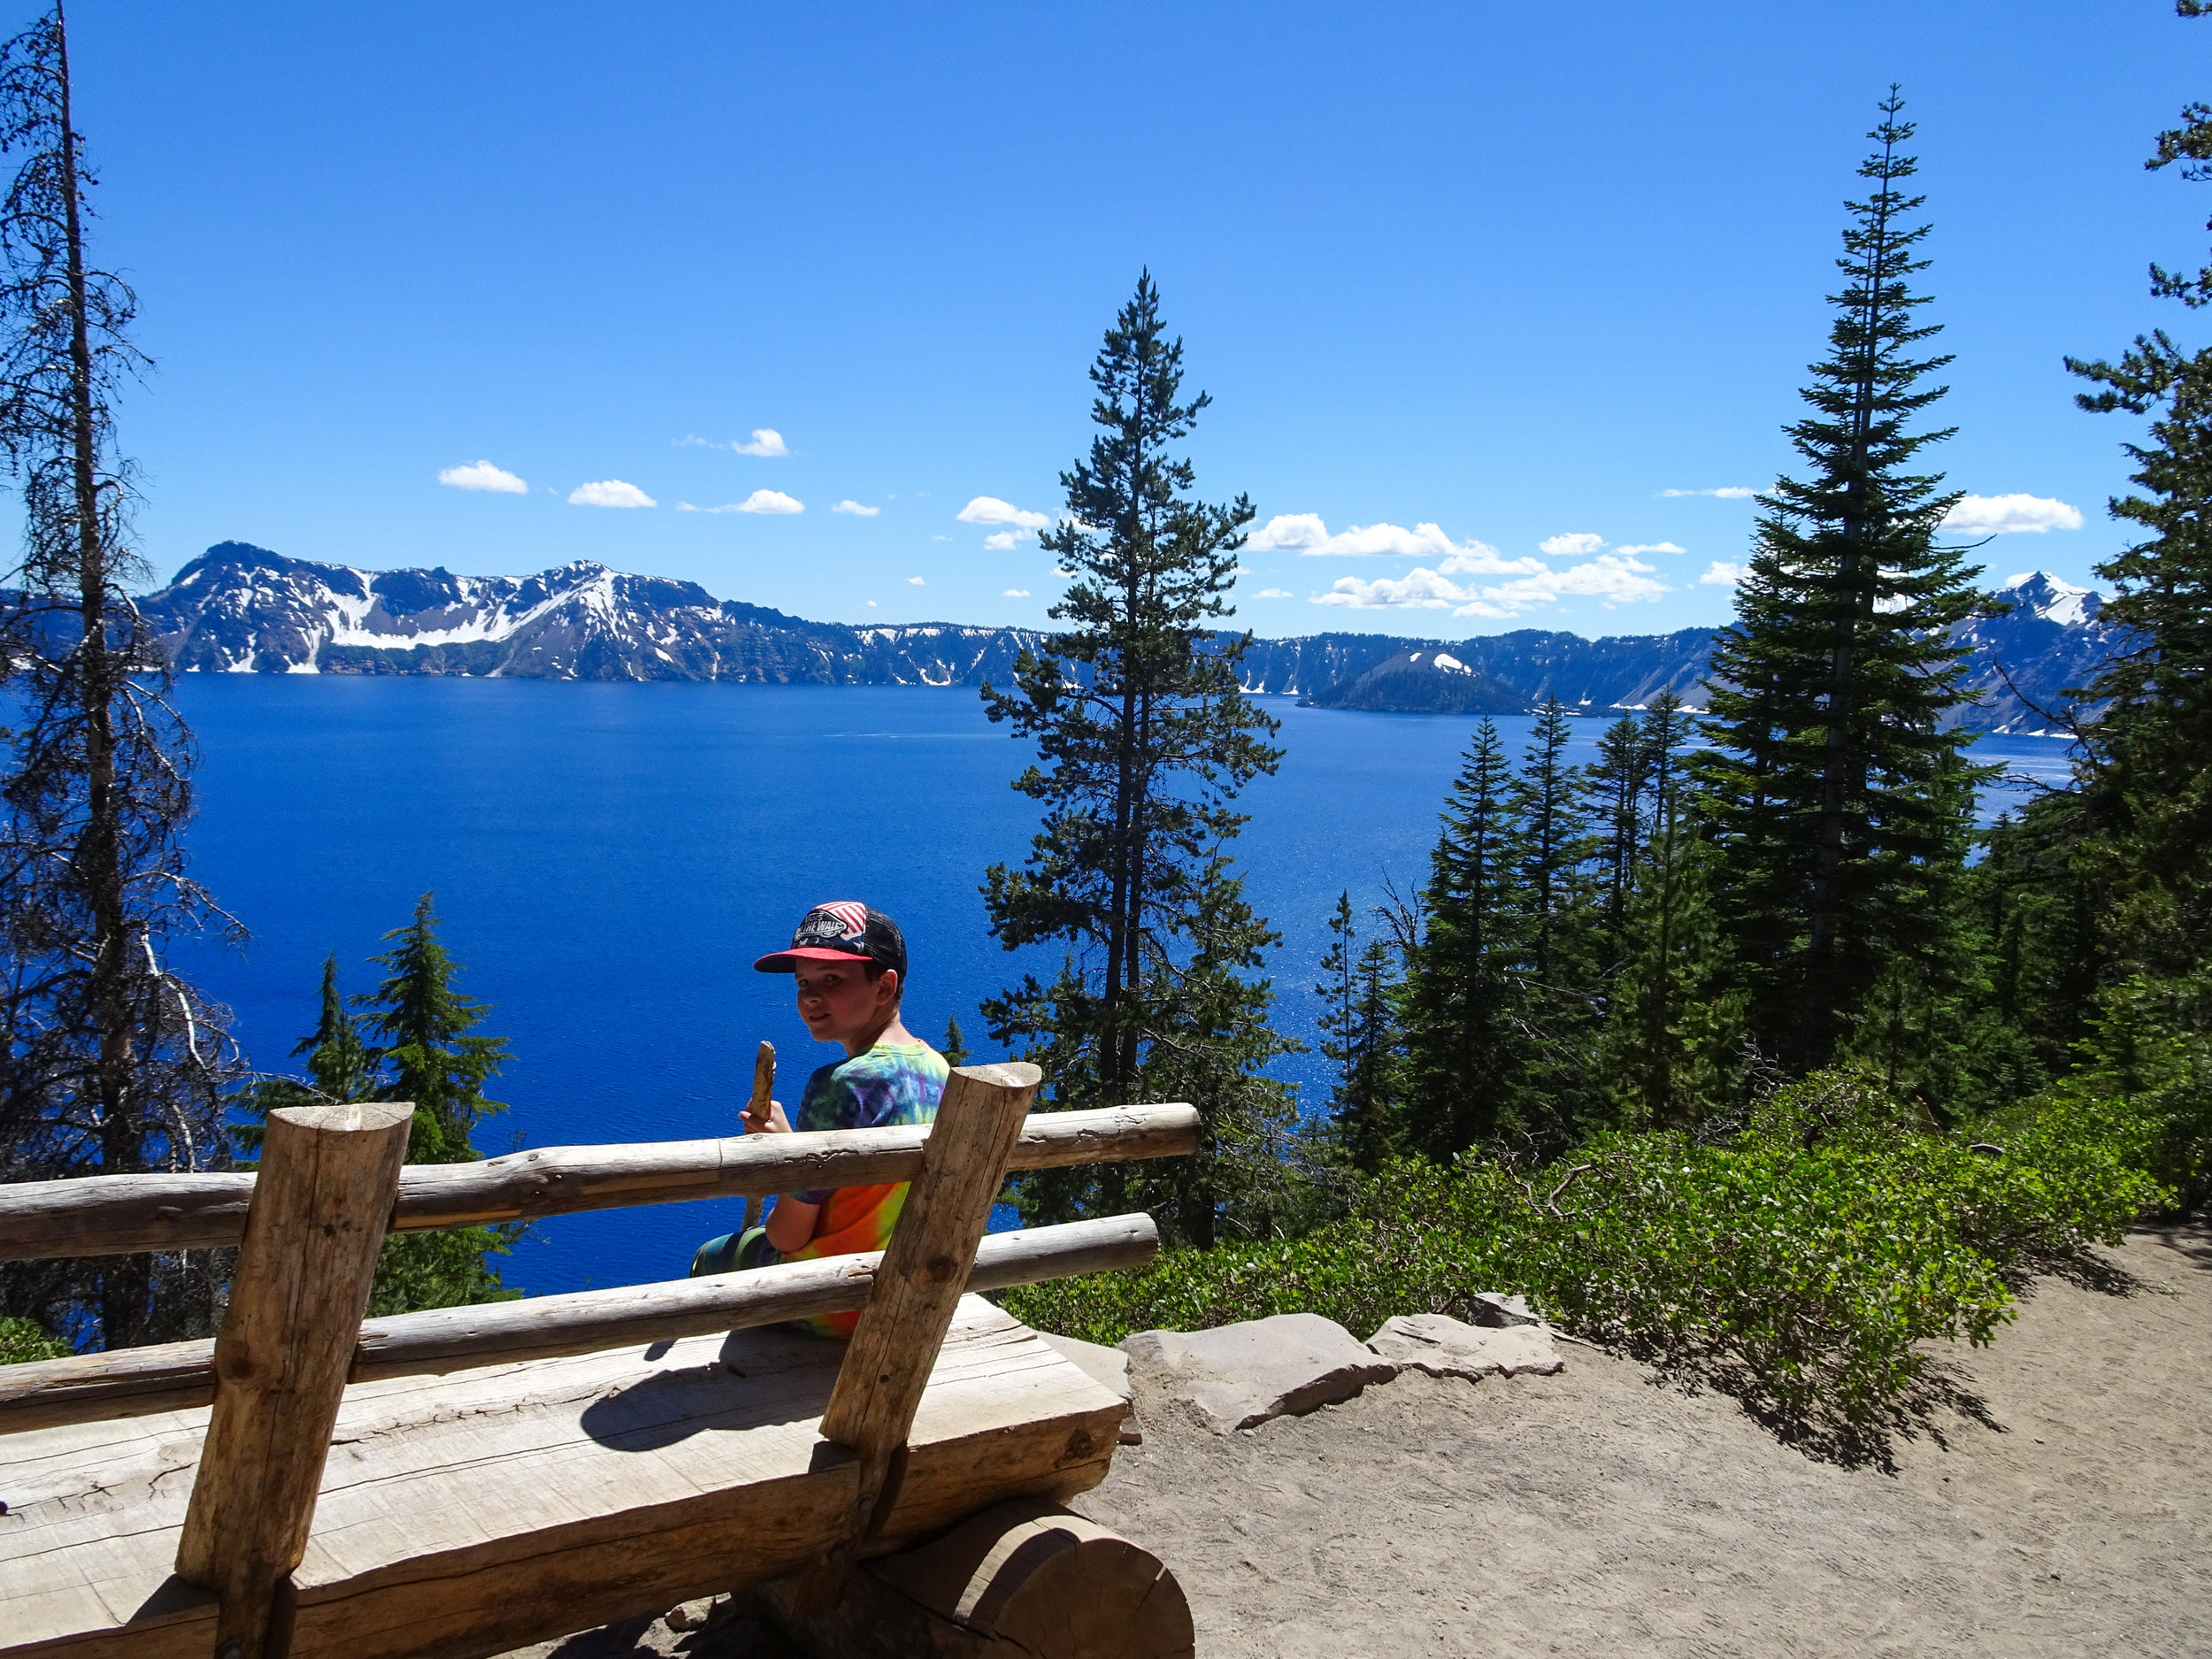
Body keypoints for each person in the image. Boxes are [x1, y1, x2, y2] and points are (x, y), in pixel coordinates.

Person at [688, 901, 949, 1336]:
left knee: (711, 1257)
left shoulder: (841, 1083)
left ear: (884, 987)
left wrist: (786, 1162)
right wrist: (793, 1145)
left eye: (832, 979)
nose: (810, 996)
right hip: (910, 1291)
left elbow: (787, 1236)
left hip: (837, 1302)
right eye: (803, 981)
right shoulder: (938, 1069)